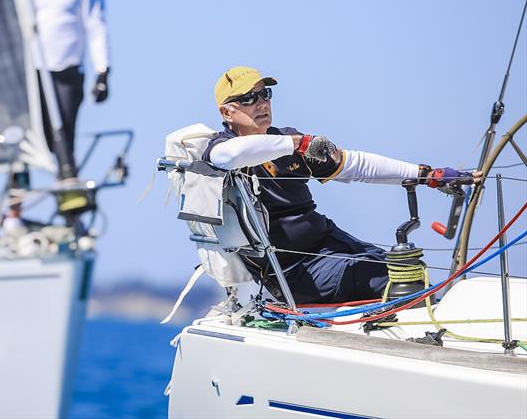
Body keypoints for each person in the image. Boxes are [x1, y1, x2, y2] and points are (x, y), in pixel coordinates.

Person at [203, 66, 481, 303]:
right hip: (290, 269)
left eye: (266, 94)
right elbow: (226, 156)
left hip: (328, 241)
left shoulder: (288, 140)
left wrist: (427, 175)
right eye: (250, 98)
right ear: (227, 112)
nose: (262, 103)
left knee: (405, 270)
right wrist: (299, 143)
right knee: (382, 279)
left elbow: (355, 166)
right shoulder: (223, 148)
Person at [30, 0, 110, 180]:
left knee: (62, 137)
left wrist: (102, 71)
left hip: (67, 71)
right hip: (35, 69)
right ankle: (13, 212)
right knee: (26, 136)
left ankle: (70, 211)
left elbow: (95, 24)